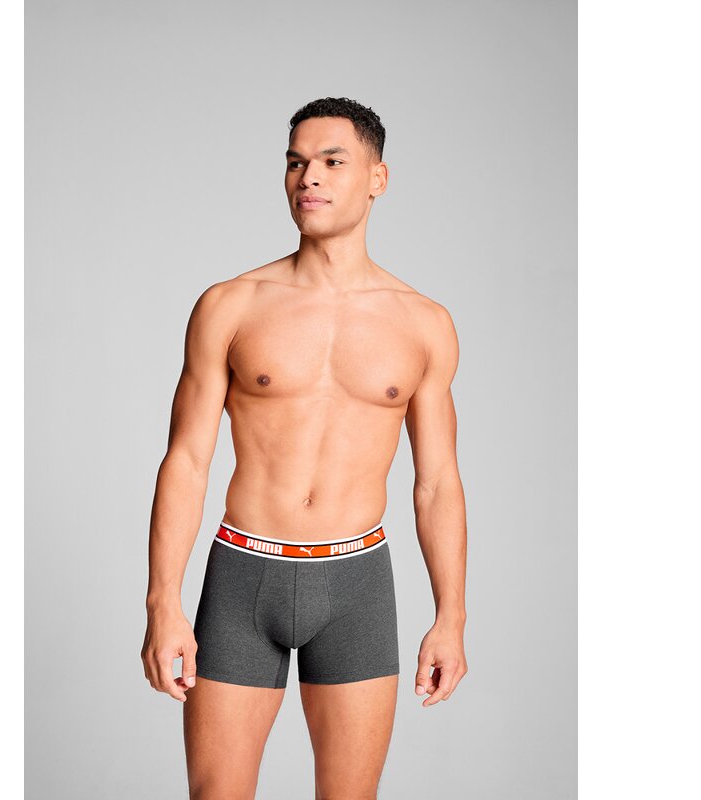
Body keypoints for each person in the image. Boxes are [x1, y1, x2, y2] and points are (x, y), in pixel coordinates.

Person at [141, 96, 468, 800]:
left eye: (331, 161)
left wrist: (452, 616)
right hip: (244, 575)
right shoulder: (232, 304)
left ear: (377, 178)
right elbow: (187, 460)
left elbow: (436, 482)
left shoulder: (424, 324)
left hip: (356, 583)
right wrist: (162, 602)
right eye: (295, 162)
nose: (308, 177)